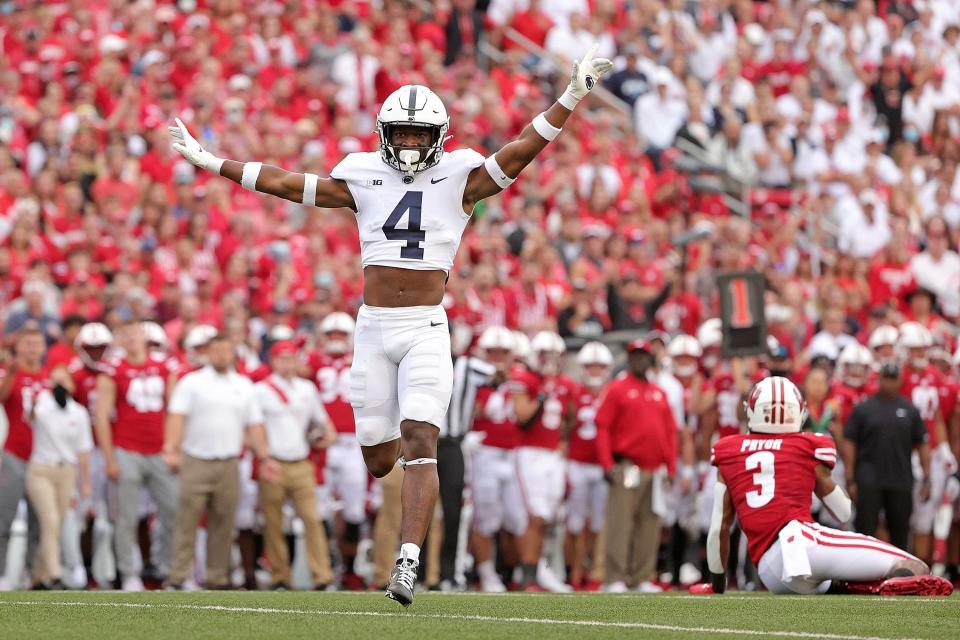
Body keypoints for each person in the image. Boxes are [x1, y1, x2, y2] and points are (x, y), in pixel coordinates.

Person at [169, 46, 613, 606]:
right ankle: (407, 474)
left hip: (426, 324)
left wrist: (572, 95)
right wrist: (211, 162)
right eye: (399, 133)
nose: (407, 144)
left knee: (422, 434)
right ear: (385, 134)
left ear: (439, 137)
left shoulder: (462, 174)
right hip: (373, 328)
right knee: (380, 459)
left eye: (417, 135)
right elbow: (287, 182)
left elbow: (523, 149)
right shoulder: (360, 174)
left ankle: (406, 563)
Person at [704, 375, 951, 597]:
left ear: (753, 411)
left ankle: (875, 587)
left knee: (839, 584)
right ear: (797, 412)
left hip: (770, 573)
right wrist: (821, 478)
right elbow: (843, 512)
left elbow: (719, 528)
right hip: (799, 545)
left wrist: (717, 584)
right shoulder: (808, 446)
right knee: (916, 566)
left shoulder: (729, 449)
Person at [163, 334, 277, 590]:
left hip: (228, 461)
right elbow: (177, 417)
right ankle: (178, 576)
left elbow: (255, 424)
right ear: (208, 353)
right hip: (196, 459)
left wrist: (265, 456)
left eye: (226, 351)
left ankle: (217, 577)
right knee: (186, 521)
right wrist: (171, 448)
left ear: (233, 353)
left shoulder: (243, 385)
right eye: (216, 351)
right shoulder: (192, 382)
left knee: (224, 523)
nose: (221, 356)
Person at [94, 320, 180, 592]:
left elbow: (176, 410)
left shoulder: (164, 366)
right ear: (120, 339)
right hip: (127, 448)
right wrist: (109, 457)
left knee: (174, 510)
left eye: (136, 333)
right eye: (126, 334)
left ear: (146, 337)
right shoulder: (113, 369)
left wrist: (172, 446)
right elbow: (101, 415)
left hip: (159, 449)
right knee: (127, 516)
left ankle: (166, 565)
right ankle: (129, 572)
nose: (131, 339)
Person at [595, 338, 679, 592]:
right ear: (630, 360)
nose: (640, 360)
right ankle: (616, 577)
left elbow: (669, 433)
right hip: (628, 466)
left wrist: (671, 467)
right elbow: (603, 427)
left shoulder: (659, 393)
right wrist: (607, 463)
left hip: (654, 469)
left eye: (644, 356)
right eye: (636, 356)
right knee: (621, 522)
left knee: (649, 524)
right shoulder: (618, 389)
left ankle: (642, 576)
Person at [255, 341, 337, 590]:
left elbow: (324, 422)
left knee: (312, 519)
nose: (287, 363)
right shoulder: (261, 390)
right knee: (273, 523)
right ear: (273, 361)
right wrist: (264, 457)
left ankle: (322, 576)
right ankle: (280, 575)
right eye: (282, 358)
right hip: (275, 461)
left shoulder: (306, 389)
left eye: (291, 358)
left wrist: (327, 437)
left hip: (301, 462)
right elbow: (254, 427)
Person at [510, 330, 578, 592]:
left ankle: (540, 570)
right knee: (535, 517)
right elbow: (522, 416)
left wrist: (562, 441)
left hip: (552, 455)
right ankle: (528, 576)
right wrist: (541, 393)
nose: (550, 360)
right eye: (545, 355)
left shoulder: (566, 384)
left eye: (554, 355)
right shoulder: (525, 379)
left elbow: (569, 417)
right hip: (529, 454)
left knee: (549, 518)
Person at [305, 312, 368, 590]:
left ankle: (350, 568)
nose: (335, 340)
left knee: (354, 511)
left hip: (353, 442)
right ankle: (328, 564)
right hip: (324, 444)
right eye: (330, 335)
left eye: (340, 335)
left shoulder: (362, 360)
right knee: (320, 509)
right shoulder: (314, 361)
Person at [467, 326, 526, 593]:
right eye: (493, 352)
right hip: (486, 453)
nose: (498, 357)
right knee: (485, 517)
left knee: (516, 518)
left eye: (503, 352)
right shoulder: (475, 380)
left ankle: (514, 572)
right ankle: (486, 572)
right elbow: (470, 411)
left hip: (514, 454)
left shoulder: (521, 379)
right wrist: (492, 384)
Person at [24, 366, 93, 589]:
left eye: (64, 381)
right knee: (51, 520)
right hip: (41, 470)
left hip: (66, 472)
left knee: (58, 524)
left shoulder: (79, 413)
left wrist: (86, 482)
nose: (60, 386)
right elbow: (31, 415)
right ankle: (54, 575)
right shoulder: (43, 406)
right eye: (56, 381)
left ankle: (38, 575)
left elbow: (83, 451)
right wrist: (40, 398)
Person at [0, 328, 47, 590]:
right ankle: (3, 574)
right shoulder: (11, 374)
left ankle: (32, 572)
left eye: (37, 343)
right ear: (18, 348)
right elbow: (2, 397)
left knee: (37, 521)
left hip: (42, 457)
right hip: (15, 454)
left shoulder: (49, 375)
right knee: (4, 517)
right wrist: (12, 372)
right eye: (27, 343)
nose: (32, 348)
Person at [564, 341, 612, 591]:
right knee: (574, 523)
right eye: (590, 367)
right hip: (578, 463)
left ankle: (594, 571)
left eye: (599, 367)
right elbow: (566, 425)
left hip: (601, 465)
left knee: (597, 524)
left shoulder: (612, 393)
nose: (594, 371)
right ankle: (573, 572)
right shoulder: (574, 392)